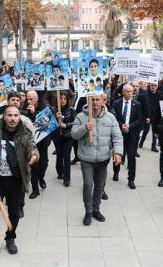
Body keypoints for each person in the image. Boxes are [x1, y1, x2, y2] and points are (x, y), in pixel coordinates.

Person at [0, 106, 39, 262]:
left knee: (14, 213)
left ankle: (10, 238)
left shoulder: (25, 133)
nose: (12, 118)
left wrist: (33, 155)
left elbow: (33, 147)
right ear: (4, 117)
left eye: (15, 115)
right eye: (9, 115)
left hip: (16, 179)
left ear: (19, 117)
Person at [71, 94, 123, 226]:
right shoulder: (81, 116)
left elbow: (117, 137)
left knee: (100, 186)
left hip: (103, 158)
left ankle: (96, 209)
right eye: (92, 99)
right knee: (88, 185)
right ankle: (88, 211)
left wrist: (118, 153)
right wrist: (84, 127)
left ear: (103, 101)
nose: (94, 102)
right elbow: (74, 134)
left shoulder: (110, 117)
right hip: (86, 158)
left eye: (97, 100)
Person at [112, 84, 142, 189]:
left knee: (131, 157)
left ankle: (131, 179)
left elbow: (139, 119)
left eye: (131, 91)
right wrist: (121, 125)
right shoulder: (116, 103)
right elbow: (113, 117)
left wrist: (130, 126)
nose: (130, 93)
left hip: (132, 135)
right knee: (118, 154)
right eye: (128, 91)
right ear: (123, 92)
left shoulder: (137, 104)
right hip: (119, 134)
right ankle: (116, 172)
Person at [26, 91, 52, 199]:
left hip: (42, 140)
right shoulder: (25, 106)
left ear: (36, 99)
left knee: (44, 163)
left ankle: (41, 177)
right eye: (28, 98)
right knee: (34, 166)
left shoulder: (44, 106)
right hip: (31, 142)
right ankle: (35, 190)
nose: (29, 101)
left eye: (31, 99)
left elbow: (47, 121)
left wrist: (34, 113)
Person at [55, 92, 76, 187]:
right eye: (61, 98)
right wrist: (56, 118)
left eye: (64, 99)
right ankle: (60, 172)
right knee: (59, 155)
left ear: (67, 100)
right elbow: (49, 123)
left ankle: (67, 178)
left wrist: (66, 125)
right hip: (57, 137)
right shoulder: (54, 109)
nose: (62, 100)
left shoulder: (71, 110)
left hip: (68, 137)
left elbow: (75, 123)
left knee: (66, 157)